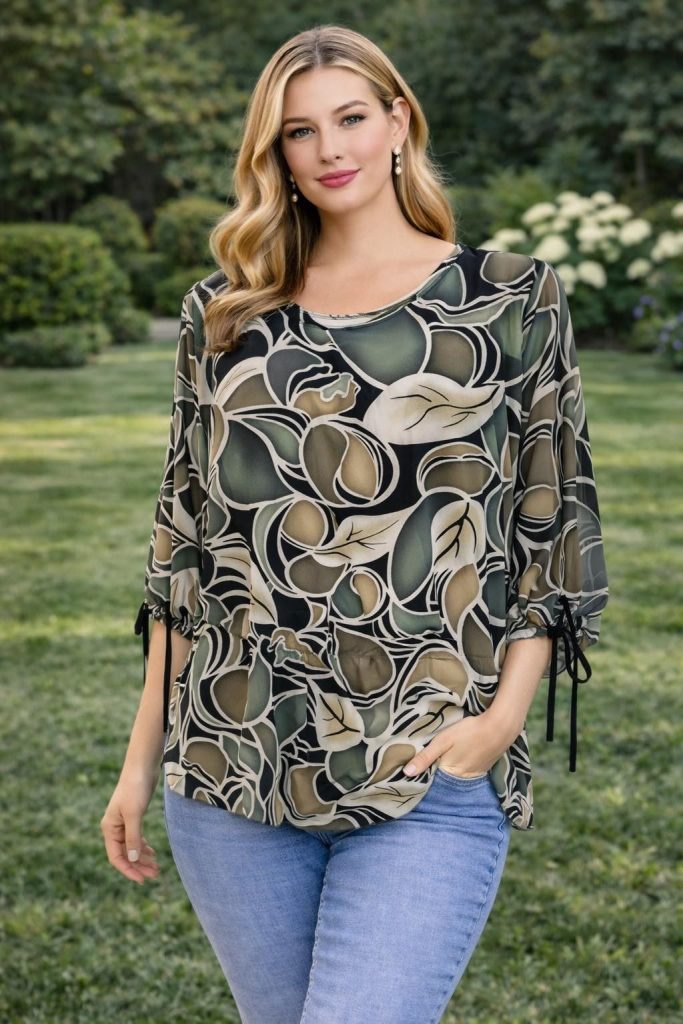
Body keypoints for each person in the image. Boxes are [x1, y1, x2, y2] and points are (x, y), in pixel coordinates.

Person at [101, 23, 609, 1024]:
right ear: (275, 153)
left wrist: (500, 722)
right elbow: (182, 550)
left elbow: (553, 530)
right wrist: (137, 763)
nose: (329, 149)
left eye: (349, 118)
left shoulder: (507, 298)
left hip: (426, 769)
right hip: (233, 764)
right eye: (300, 131)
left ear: (397, 122)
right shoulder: (225, 316)